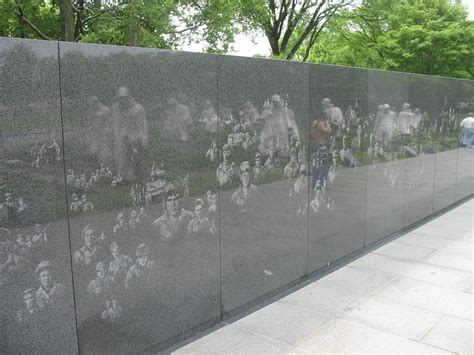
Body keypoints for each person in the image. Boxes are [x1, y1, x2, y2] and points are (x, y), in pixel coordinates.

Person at [310, 117, 331, 189]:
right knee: (317, 165)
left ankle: (321, 182)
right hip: (319, 149)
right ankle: (317, 182)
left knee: (322, 165)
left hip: (321, 149)